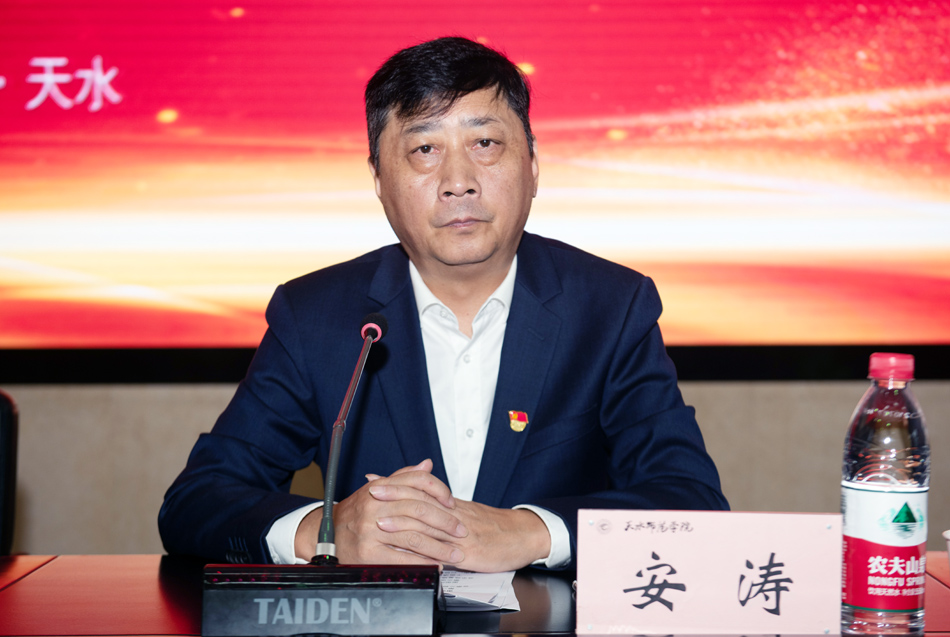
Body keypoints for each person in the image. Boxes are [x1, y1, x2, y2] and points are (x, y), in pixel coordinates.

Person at [158, 36, 728, 573]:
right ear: (379, 179)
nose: (459, 181)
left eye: (485, 144)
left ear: (532, 166)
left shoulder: (610, 307)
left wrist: (531, 532)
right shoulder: (316, 316)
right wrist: (327, 530)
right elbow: (196, 502)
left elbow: (692, 500)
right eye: (425, 149)